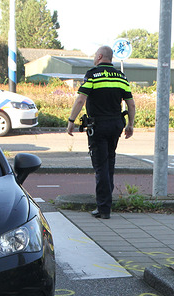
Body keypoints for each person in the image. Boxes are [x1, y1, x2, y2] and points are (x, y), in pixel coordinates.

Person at [66, 46, 135, 219]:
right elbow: (131, 104)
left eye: (95, 56)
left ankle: (104, 208)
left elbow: (81, 99)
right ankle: (106, 203)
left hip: (99, 125)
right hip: (116, 125)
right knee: (110, 163)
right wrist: (131, 125)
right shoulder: (121, 76)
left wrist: (71, 121)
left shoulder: (93, 74)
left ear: (99, 56)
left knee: (101, 166)